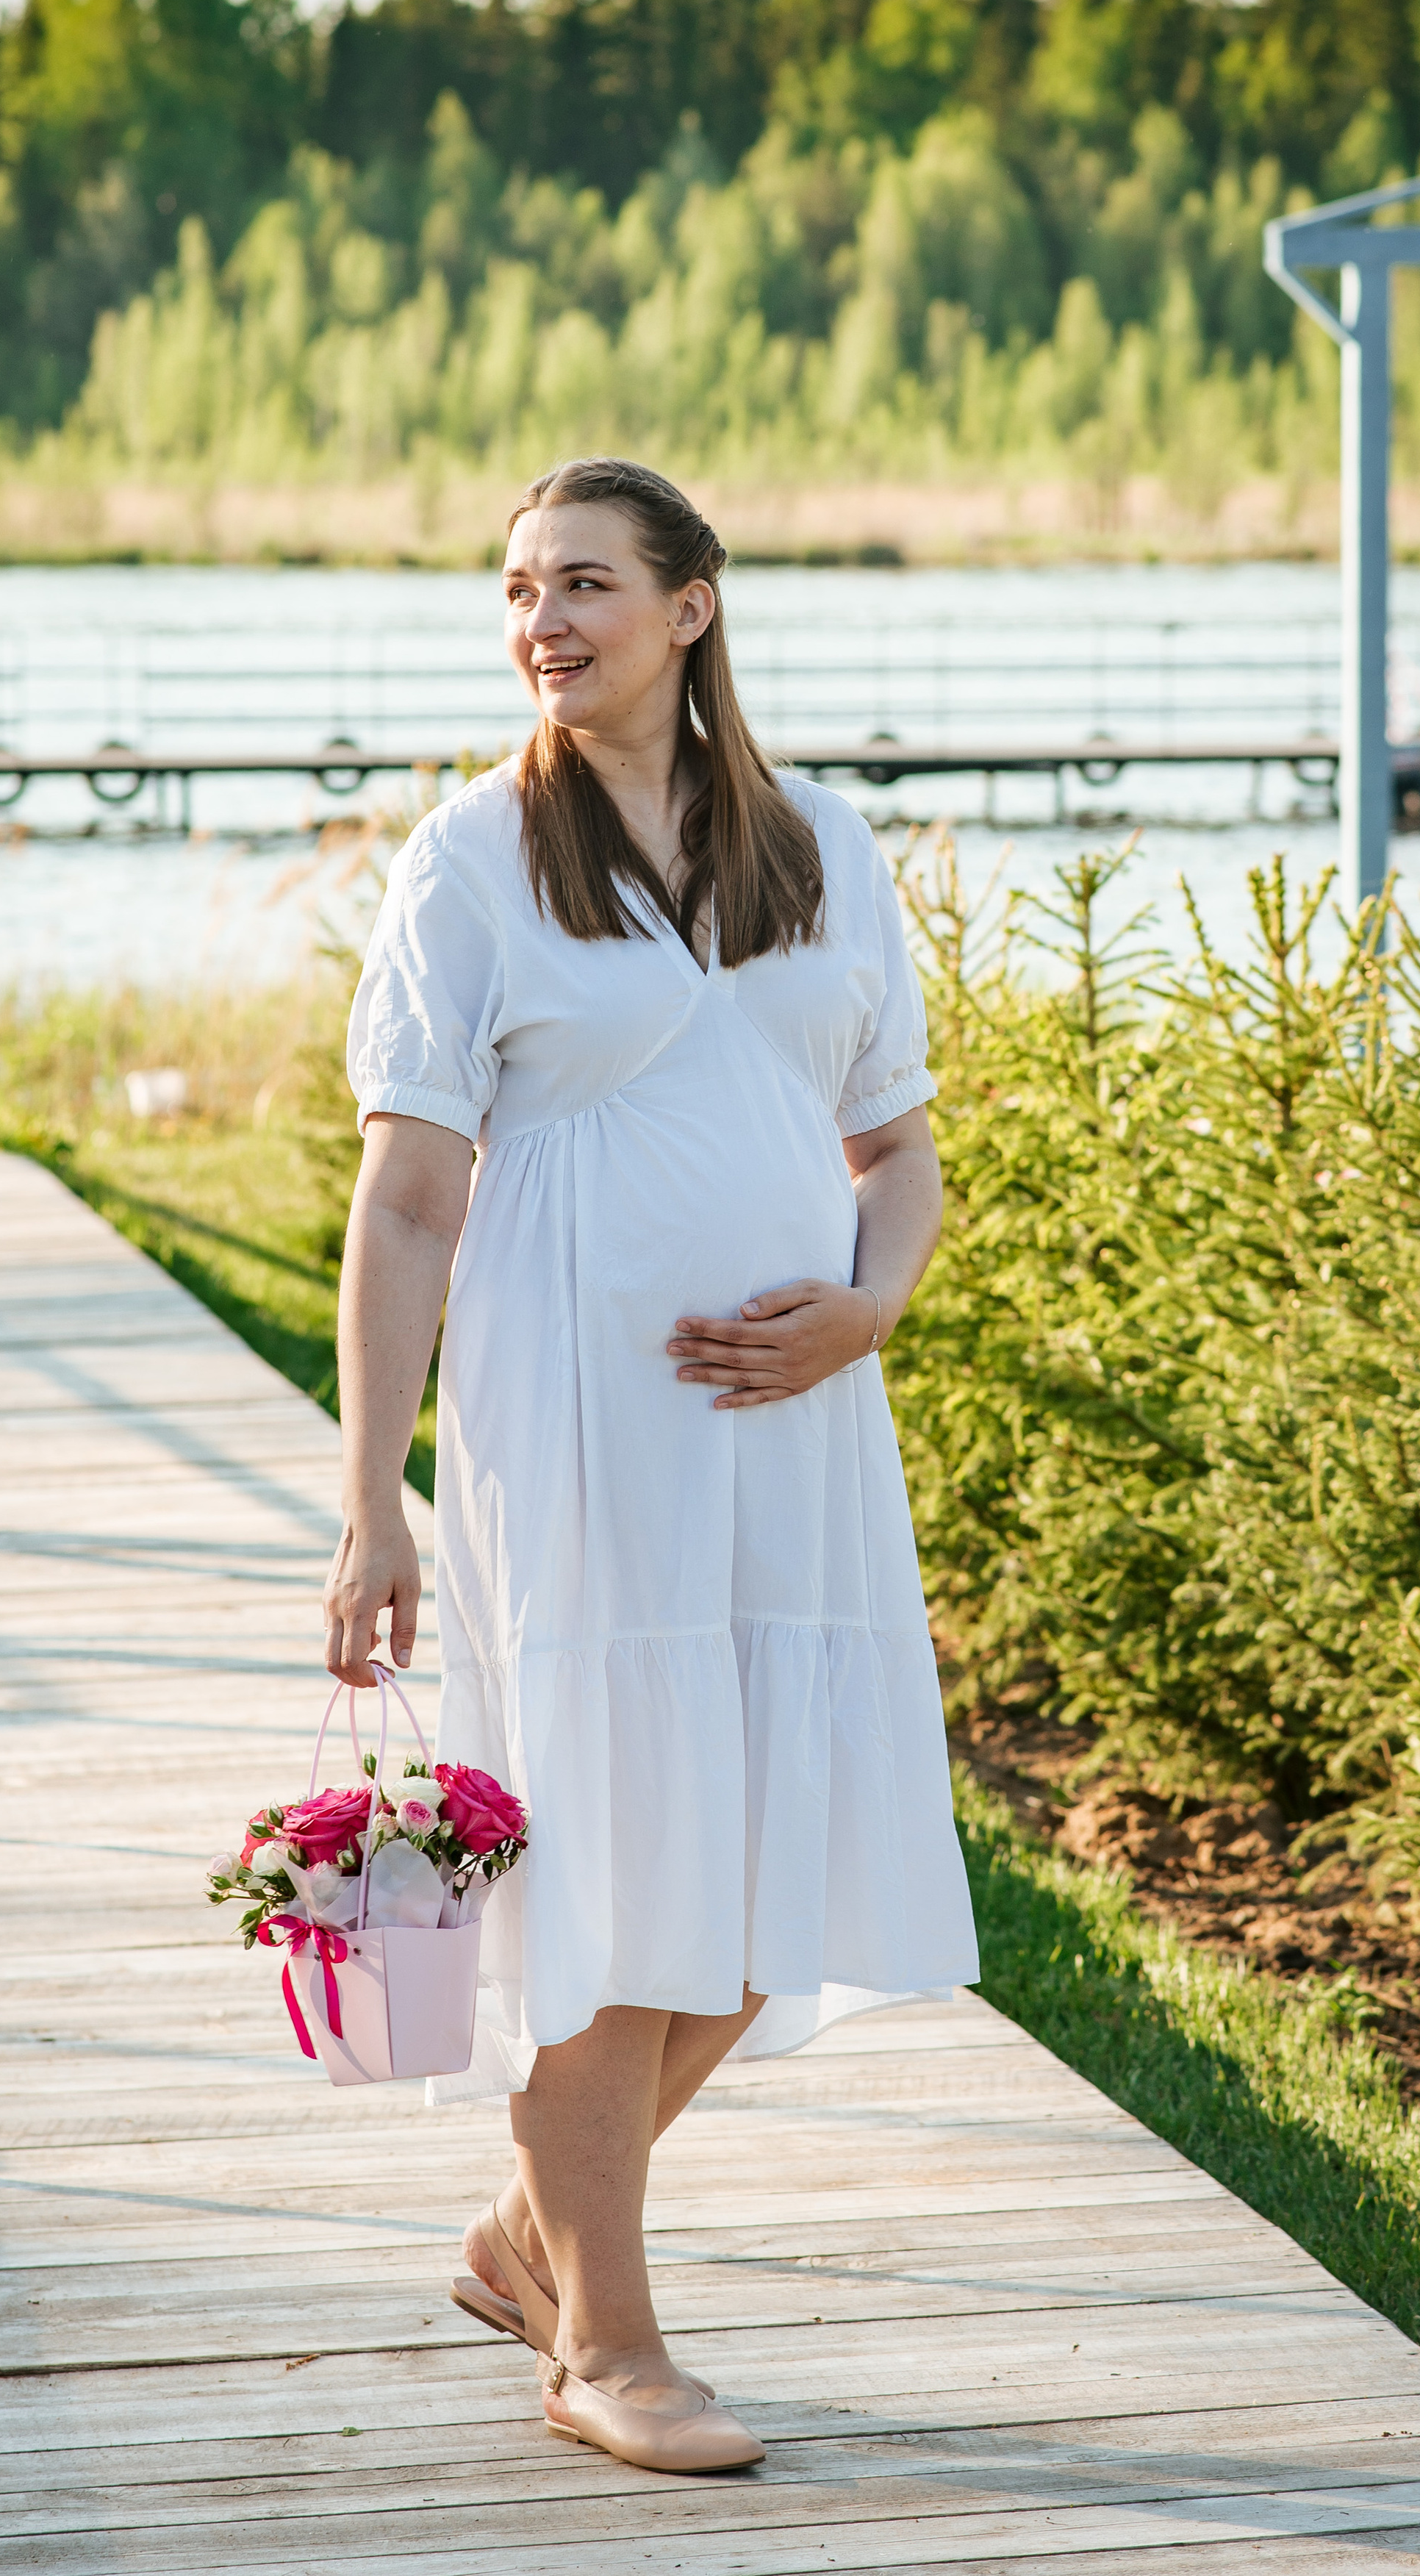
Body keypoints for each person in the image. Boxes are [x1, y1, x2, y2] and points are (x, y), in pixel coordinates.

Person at [324, 455, 978, 2474]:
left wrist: (868, 1309)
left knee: (764, 1877)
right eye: (519, 588)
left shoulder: (822, 851)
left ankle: (531, 2233)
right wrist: (373, 1503)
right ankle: (604, 2333)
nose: (544, 619)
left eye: (586, 581)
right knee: (603, 1876)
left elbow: (903, 1161)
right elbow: (410, 1205)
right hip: (583, 1448)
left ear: (694, 605)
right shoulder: (469, 864)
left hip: (797, 1447)